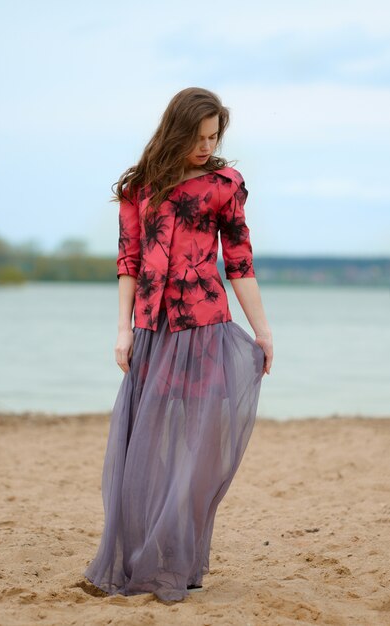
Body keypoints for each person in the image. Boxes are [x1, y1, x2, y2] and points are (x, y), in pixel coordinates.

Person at [83, 87, 273, 603]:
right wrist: (123, 330)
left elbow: (239, 263)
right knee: (141, 448)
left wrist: (263, 331)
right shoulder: (140, 187)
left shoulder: (224, 186)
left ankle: (179, 561)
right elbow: (128, 262)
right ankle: (139, 559)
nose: (207, 146)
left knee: (194, 448)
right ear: (178, 130)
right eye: (199, 136)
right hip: (152, 332)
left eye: (215, 137)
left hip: (205, 327)